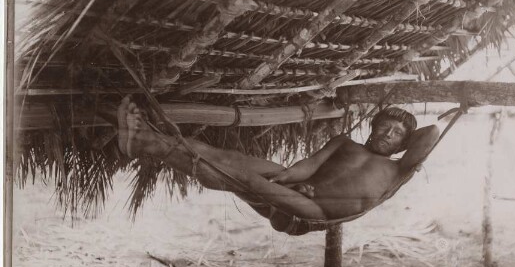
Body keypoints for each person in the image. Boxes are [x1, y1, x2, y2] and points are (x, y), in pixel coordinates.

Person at [117, 97, 440, 235]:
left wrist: (450, 114)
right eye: (384, 126)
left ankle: (146, 144)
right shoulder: (344, 142)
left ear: (405, 144)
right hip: (297, 190)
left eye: (397, 134)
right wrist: (285, 177)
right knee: (228, 158)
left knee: (240, 178)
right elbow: (308, 165)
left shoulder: (400, 170)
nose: (388, 134)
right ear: (372, 126)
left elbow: (433, 133)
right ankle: (144, 132)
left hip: (315, 214)